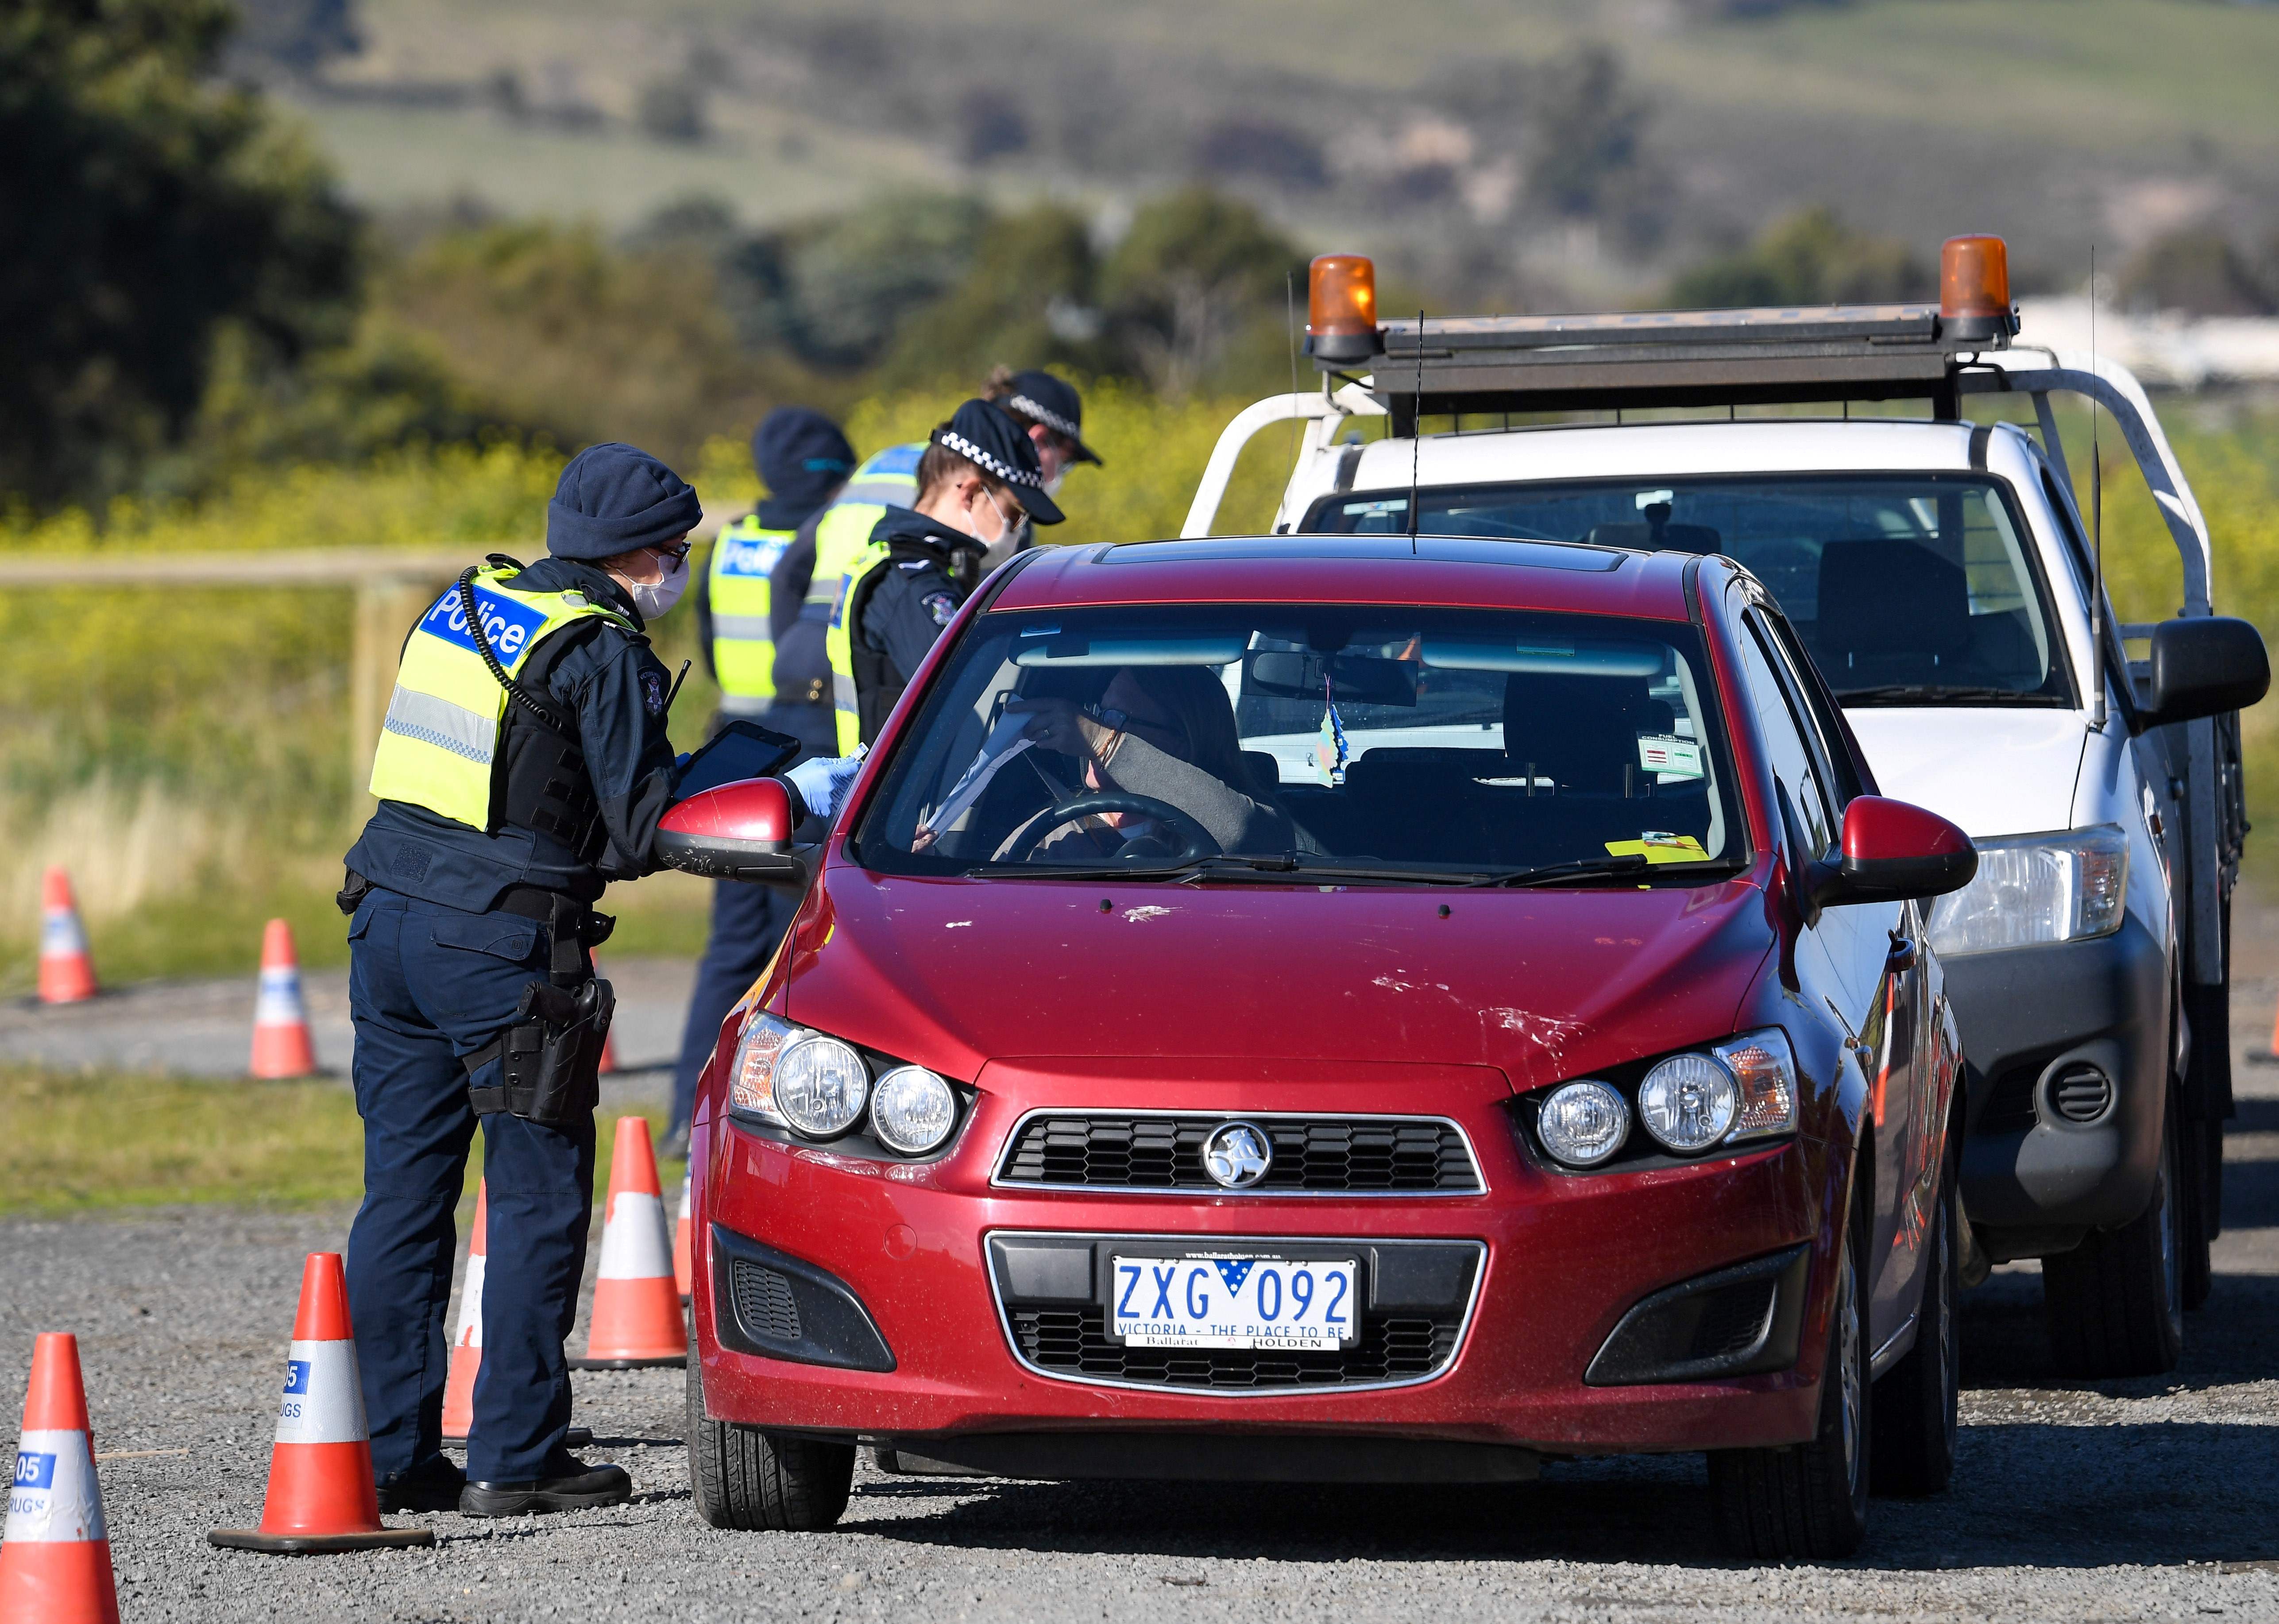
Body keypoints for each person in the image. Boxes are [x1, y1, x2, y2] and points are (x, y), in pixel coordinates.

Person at [341, 442, 698, 1519]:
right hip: (501, 950)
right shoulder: (601, 648)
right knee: (539, 1189)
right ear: (640, 554)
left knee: (403, 1194)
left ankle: (388, 1455)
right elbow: (638, 834)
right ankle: (517, 1455)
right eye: (674, 555)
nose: (675, 574)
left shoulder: (467, 607)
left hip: (385, 922)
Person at [666, 408, 852, 1153]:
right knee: (818, 947)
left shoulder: (733, 539)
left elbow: (712, 649)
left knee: (731, 947)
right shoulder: (838, 537)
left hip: (737, 748)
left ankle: (689, 1106)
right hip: (813, 748)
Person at [831, 399, 1064, 750]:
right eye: (1015, 515)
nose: (1018, 530)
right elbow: (964, 704)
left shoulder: (901, 561)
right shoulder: (915, 586)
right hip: (908, 802)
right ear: (970, 493)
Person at [1006, 665, 1294, 858]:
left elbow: (1239, 831)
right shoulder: (1055, 828)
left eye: (1115, 719)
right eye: (1100, 714)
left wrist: (1101, 741)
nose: (1094, 725)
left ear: (1180, 743)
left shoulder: (1257, 824)